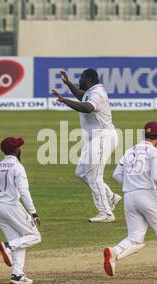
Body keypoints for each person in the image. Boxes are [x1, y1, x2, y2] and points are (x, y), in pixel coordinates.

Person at [103, 121, 157, 280]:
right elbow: (156, 177)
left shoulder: (130, 150)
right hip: (148, 195)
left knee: (135, 237)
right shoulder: (154, 152)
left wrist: (132, 184)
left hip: (129, 197)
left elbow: (116, 175)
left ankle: (114, 252)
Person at [51, 69, 121, 223]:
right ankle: (112, 197)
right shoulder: (91, 91)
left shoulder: (97, 94)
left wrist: (64, 101)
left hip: (102, 137)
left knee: (94, 176)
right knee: (82, 173)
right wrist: (68, 83)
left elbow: (87, 107)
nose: (79, 80)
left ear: (89, 79)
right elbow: (81, 96)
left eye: (81, 78)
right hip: (94, 139)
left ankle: (106, 213)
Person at [0, 137, 41, 284]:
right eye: (19, 147)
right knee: (34, 236)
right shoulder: (17, 167)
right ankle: (8, 246)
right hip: (11, 206)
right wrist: (33, 212)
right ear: (16, 150)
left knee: (18, 240)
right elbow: (23, 190)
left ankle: (17, 274)